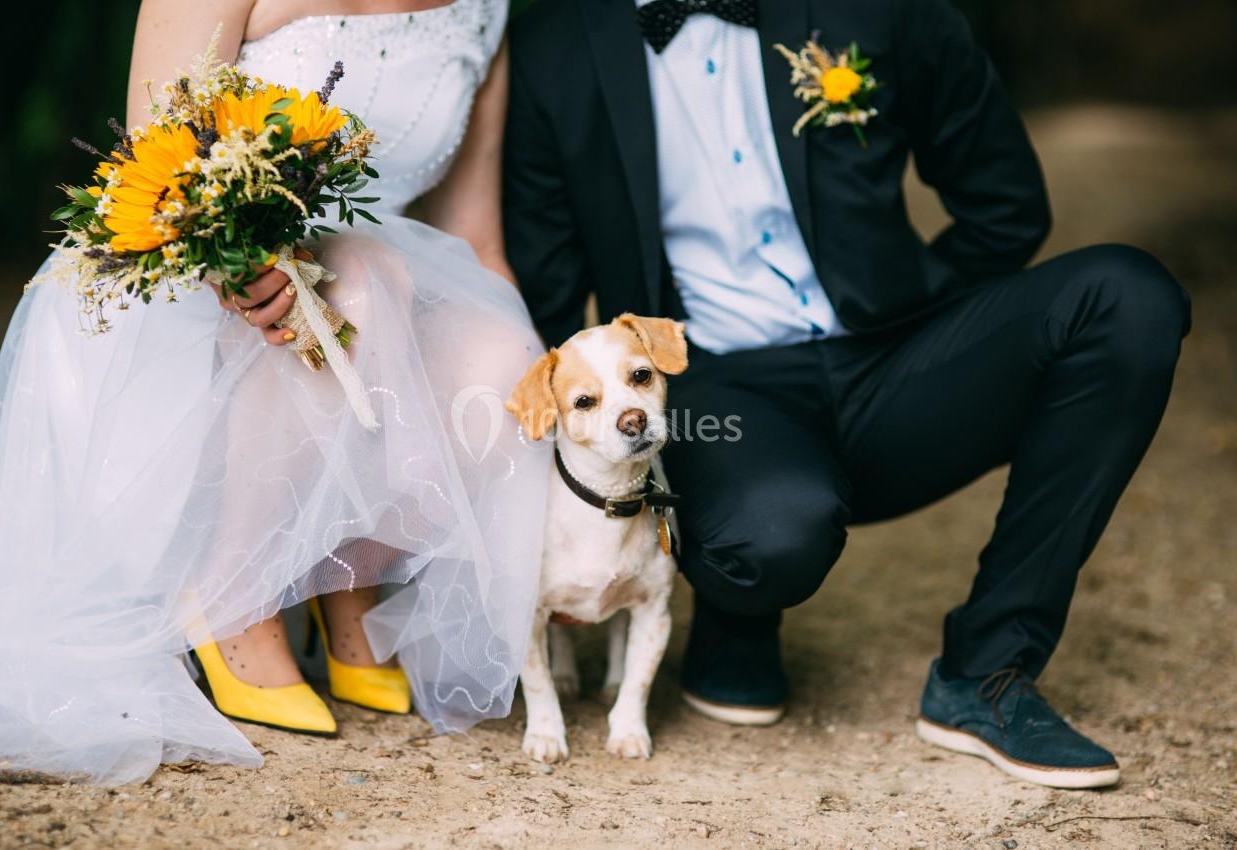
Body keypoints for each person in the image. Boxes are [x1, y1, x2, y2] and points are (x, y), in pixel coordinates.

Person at [503, 0, 1190, 788]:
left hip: (896, 357)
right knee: (770, 532)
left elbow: (1005, 200)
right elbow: (549, 301)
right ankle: (738, 615)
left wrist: (929, 318)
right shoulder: (554, 40)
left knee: (1128, 298)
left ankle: (988, 670)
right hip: (721, 389)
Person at [0, 0, 548, 785]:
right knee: (361, 281)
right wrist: (234, 266)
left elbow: (474, 240)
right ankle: (229, 598)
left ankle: (351, 572)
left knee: (495, 348)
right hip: (183, 295)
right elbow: (152, 176)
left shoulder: (482, 11)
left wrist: (548, 388)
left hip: (379, 287)